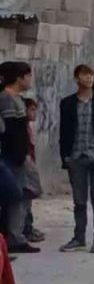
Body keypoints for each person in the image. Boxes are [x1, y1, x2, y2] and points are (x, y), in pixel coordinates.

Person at [58, 64, 94, 253]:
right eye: (84, 75)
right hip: (76, 156)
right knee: (79, 201)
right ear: (77, 79)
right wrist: (65, 156)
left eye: (91, 75)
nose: (89, 78)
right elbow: (64, 131)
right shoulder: (67, 103)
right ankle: (79, 237)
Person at [0, 63, 36, 253]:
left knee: (24, 194)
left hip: (20, 156)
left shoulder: (17, 99)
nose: (30, 80)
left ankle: (17, 235)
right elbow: (10, 132)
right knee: (15, 196)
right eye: (28, 76)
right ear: (19, 77)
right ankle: (14, 238)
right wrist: (18, 155)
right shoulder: (6, 99)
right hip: (13, 158)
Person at [21, 98, 44, 245]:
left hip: (29, 164)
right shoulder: (22, 128)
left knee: (28, 201)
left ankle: (29, 228)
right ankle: (26, 230)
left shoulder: (28, 127)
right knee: (25, 201)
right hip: (24, 167)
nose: (35, 113)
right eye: (32, 110)